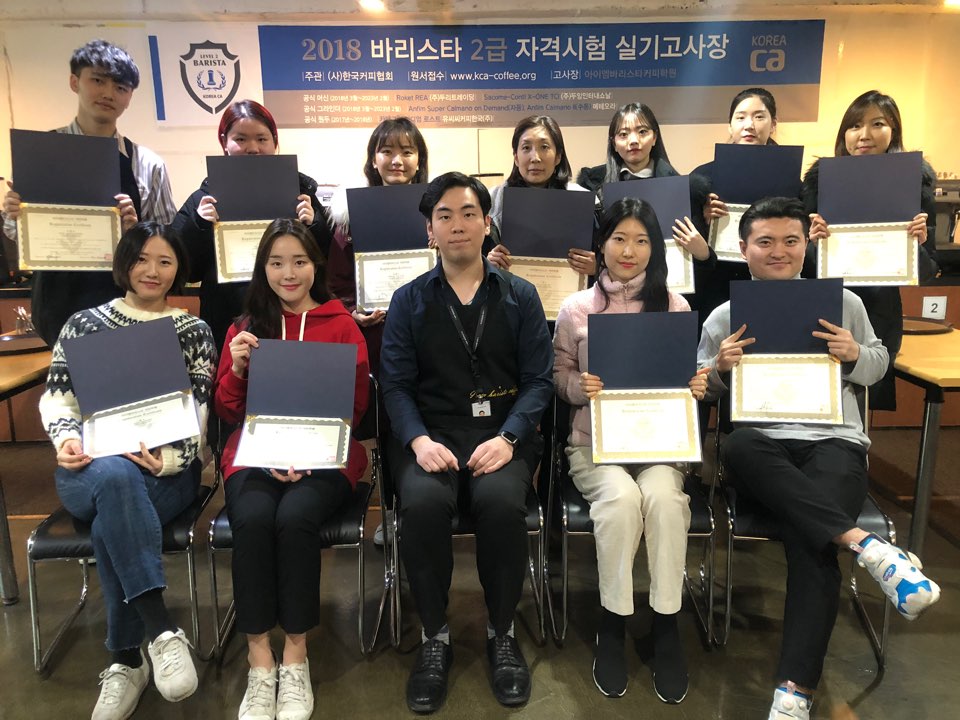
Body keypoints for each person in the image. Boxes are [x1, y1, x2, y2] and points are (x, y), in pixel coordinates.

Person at [696, 196, 940, 720]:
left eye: (791, 241)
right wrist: (719, 369)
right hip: (760, 446)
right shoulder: (724, 315)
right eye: (765, 241)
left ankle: (794, 693)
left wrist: (855, 355)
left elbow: (878, 366)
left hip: (835, 443)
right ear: (743, 248)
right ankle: (869, 548)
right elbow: (702, 389)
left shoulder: (844, 302)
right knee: (739, 444)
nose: (779, 252)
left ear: (806, 245)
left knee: (812, 542)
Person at [380, 172, 553, 713]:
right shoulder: (408, 300)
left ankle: (502, 632)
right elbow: (395, 386)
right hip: (431, 437)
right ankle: (435, 636)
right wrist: (417, 441)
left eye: (469, 213)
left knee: (501, 504)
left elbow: (539, 381)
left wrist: (510, 437)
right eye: (445, 216)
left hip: (501, 435)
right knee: (422, 505)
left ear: (487, 222)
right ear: (429, 230)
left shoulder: (521, 295)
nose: (458, 225)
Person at [38, 221, 215, 720]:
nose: (152, 271)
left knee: (110, 521)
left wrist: (172, 459)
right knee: (115, 478)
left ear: (179, 269)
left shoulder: (193, 331)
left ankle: (124, 660)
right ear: (124, 264)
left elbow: (198, 410)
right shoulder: (83, 324)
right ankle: (160, 630)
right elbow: (59, 399)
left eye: (165, 261)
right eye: (141, 259)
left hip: (165, 473)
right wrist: (66, 439)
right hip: (88, 468)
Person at [553, 198, 708, 703]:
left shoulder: (675, 306)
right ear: (601, 244)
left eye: (642, 240)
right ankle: (613, 621)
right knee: (620, 501)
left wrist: (696, 384)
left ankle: (666, 623)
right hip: (594, 446)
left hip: (660, 445)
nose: (629, 250)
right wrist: (578, 387)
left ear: (654, 249)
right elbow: (558, 374)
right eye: (619, 238)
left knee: (664, 500)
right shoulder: (576, 308)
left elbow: (687, 377)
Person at [213, 218, 369, 720]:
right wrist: (238, 370)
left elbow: (355, 407)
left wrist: (307, 450)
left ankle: (296, 654)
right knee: (254, 518)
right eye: (276, 262)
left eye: (299, 261)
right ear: (262, 268)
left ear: (315, 266)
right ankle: (260, 659)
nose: (288, 273)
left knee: (296, 517)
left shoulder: (342, 325)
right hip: (254, 454)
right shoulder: (244, 328)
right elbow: (226, 410)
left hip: (325, 455)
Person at [2, 39, 176, 346]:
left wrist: (136, 231)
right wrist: (15, 214)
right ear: (75, 82)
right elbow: (14, 233)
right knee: (66, 377)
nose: (108, 93)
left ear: (129, 97)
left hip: (128, 305)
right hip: (57, 302)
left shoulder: (148, 164)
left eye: (120, 87)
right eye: (98, 80)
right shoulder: (38, 154)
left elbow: (168, 239)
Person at [800, 89, 940, 410]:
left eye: (877, 124)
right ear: (844, 134)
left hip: (879, 311)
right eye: (854, 126)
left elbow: (927, 272)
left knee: (864, 398)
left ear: (894, 131)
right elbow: (803, 268)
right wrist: (812, 243)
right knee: (818, 399)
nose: (864, 135)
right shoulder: (819, 184)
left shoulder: (914, 185)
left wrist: (917, 246)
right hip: (825, 305)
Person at [171, 99, 333, 351]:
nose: (253, 148)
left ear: (275, 142)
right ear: (224, 143)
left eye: (261, 138)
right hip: (228, 320)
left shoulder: (301, 195)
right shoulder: (203, 200)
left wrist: (314, 226)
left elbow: (328, 261)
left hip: (294, 320)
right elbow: (182, 269)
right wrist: (198, 225)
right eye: (241, 139)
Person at [325, 116, 430, 377]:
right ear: (374, 160)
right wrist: (352, 312)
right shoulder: (349, 215)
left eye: (407, 152)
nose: (397, 161)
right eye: (387, 151)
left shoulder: (438, 213)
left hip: (427, 330)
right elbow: (336, 281)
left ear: (419, 161)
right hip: (375, 333)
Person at [575, 103, 715, 291]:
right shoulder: (592, 186)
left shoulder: (684, 190)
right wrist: (598, 266)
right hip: (610, 294)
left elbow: (700, 267)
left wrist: (703, 253)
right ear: (614, 143)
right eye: (623, 134)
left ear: (654, 137)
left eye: (642, 132)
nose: (634, 140)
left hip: (663, 294)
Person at [690, 87, 783, 326]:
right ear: (730, 126)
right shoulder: (701, 178)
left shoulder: (789, 178)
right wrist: (705, 222)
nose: (749, 125)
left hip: (770, 286)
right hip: (715, 287)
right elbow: (687, 251)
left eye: (759, 116)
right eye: (740, 117)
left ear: (773, 124)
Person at [484, 115, 595, 277]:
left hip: (568, 291)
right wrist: (486, 264)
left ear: (558, 156)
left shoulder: (583, 202)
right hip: (508, 291)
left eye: (544, 147)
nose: (535, 158)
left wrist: (595, 268)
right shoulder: (490, 201)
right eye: (526, 148)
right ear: (516, 157)